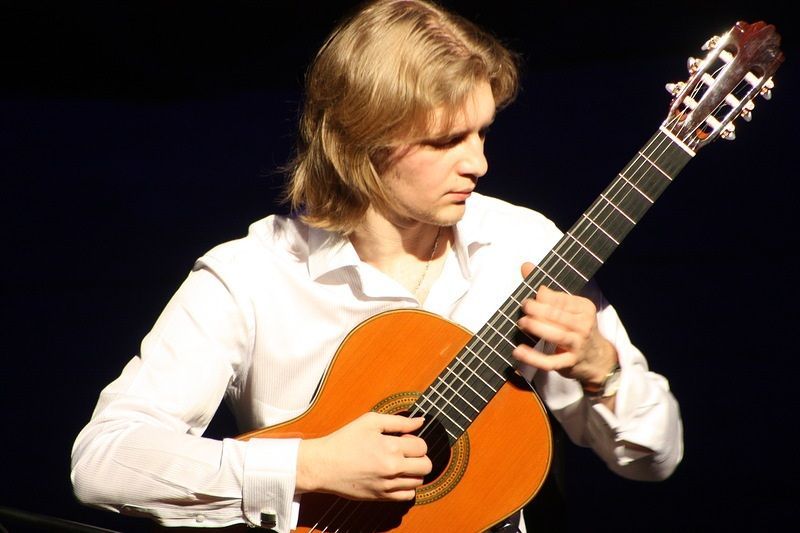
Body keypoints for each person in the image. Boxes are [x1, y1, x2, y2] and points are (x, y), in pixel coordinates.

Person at [70, 0, 683, 531]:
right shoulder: (252, 276)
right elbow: (104, 460)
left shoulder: (524, 248)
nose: (478, 163)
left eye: (482, 133)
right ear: (362, 141)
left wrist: (603, 372)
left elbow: (655, 458)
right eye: (446, 141)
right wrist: (309, 465)